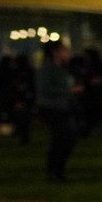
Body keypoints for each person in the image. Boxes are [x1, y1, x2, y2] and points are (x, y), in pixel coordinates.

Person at [35, 42, 80, 182]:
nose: (67, 54)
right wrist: (69, 91)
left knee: (66, 138)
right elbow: (45, 89)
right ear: (55, 52)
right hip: (51, 108)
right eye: (64, 50)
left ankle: (56, 171)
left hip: (61, 107)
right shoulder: (48, 68)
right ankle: (55, 172)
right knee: (61, 139)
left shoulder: (60, 68)